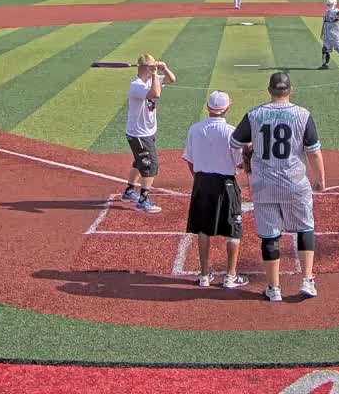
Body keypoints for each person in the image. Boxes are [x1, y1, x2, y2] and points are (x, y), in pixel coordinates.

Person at [230, 72, 326, 302]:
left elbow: (235, 142)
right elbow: (313, 152)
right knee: (304, 228)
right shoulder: (302, 114)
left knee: (270, 235)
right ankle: (307, 280)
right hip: (295, 183)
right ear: (290, 90)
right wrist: (320, 179)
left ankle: (273, 288)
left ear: (270, 90)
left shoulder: (255, 114)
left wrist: (251, 147)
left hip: (264, 184)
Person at [183, 90, 249, 289]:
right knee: (233, 230)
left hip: (202, 183)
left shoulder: (194, 129)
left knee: (203, 230)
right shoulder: (232, 132)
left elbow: (190, 161)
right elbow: (239, 164)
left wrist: (200, 180)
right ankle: (230, 276)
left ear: (208, 108)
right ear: (227, 108)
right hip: (226, 184)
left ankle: (204, 276)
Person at [121, 53, 176, 213]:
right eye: (152, 66)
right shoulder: (136, 85)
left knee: (139, 163)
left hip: (147, 131)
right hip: (139, 134)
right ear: (145, 68)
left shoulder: (152, 80)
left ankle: (129, 192)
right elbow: (156, 94)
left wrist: (164, 68)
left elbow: (171, 79)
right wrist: (154, 73)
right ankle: (143, 201)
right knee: (150, 165)